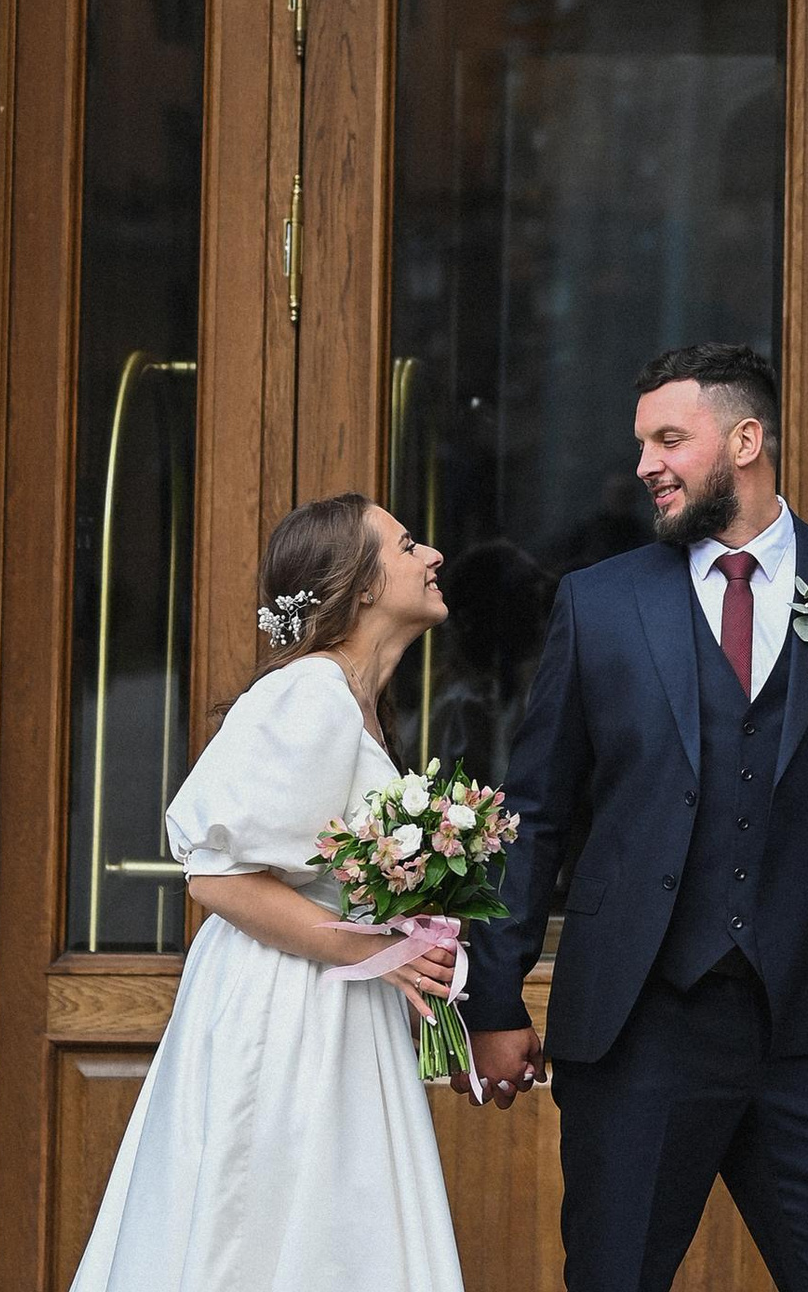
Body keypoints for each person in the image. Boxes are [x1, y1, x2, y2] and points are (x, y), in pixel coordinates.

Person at [465, 343, 808, 1292]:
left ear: (745, 440)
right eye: (642, 442)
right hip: (636, 1025)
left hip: (806, 1025)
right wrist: (494, 998)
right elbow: (536, 816)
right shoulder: (598, 605)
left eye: (668, 439)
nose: (645, 463)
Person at [69, 493, 468, 1291]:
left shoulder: (357, 705)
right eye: (407, 543)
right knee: (271, 1222)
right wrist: (371, 950)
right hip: (287, 1010)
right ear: (359, 586)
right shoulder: (308, 694)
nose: (433, 557)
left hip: (336, 1005)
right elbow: (215, 874)